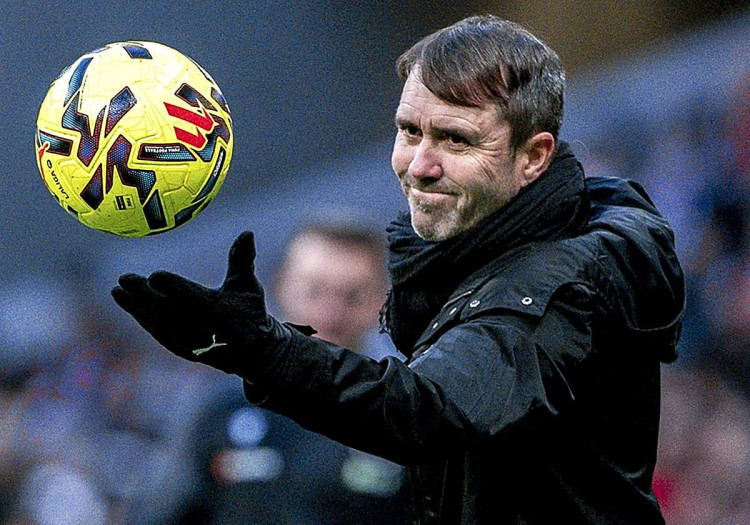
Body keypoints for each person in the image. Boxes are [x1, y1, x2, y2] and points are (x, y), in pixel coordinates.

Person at [112, 14, 685, 524]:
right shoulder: (479, 255)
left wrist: (267, 351)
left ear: (534, 156)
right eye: (410, 131)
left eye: (456, 140)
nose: (419, 164)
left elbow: (426, 411)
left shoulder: (555, 288)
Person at [172, 221, 410, 524]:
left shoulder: (407, 418)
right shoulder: (221, 409)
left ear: (383, 302)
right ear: (280, 286)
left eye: (351, 296)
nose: (330, 314)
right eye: (314, 291)